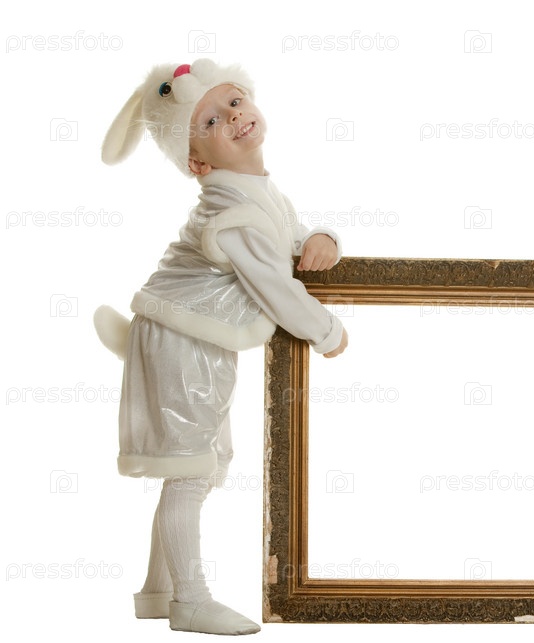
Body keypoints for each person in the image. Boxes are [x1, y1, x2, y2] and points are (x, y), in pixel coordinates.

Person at [95, 58, 348, 635]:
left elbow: (284, 237)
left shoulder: (254, 191)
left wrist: (322, 237)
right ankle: (190, 599)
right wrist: (327, 331)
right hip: (181, 336)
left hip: (186, 334)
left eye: (234, 101)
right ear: (197, 162)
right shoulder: (231, 211)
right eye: (210, 121)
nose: (232, 116)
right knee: (191, 470)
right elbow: (275, 287)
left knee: (205, 464)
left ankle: (158, 590)